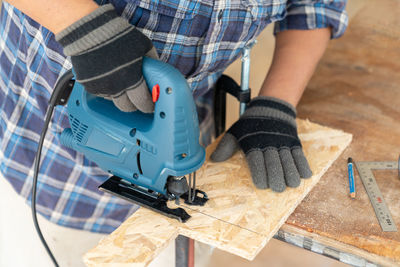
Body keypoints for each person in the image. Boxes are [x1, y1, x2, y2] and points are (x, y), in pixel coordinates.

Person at [0, 0, 348, 266]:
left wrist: (276, 103)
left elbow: (315, 6)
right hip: (49, 169)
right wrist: (85, 31)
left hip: (192, 124)